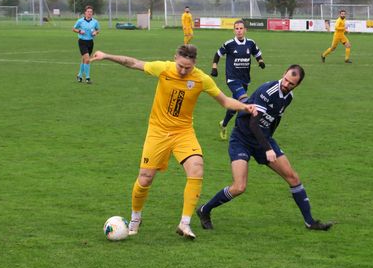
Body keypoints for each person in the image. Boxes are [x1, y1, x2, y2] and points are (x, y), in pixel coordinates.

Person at [90, 44, 257, 240]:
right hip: (158, 132)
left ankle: (184, 224)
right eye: (180, 66)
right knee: (145, 178)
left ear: (194, 63)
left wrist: (246, 107)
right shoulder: (164, 68)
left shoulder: (201, 79)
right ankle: (135, 218)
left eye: (188, 67)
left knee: (197, 168)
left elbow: (225, 101)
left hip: (183, 133)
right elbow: (133, 62)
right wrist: (106, 55)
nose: (183, 70)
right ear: (175, 58)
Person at [197, 64, 333, 232]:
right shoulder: (267, 91)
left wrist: (269, 141)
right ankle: (205, 210)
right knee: (239, 187)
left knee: (293, 178)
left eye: (291, 84)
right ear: (283, 74)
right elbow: (254, 123)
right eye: (286, 80)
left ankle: (310, 222)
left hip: (263, 139)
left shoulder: (288, 97)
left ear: (297, 85)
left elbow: (275, 119)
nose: (286, 85)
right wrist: (268, 149)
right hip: (242, 138)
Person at [211, 19, 265, 140]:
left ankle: (223, 124)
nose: (239, 31)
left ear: (245, 30)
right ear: (234, 30)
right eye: (237, 29)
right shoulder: (229, 44)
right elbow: (218, 54)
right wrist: (214, 67)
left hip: (245, 79)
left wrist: (260, 61)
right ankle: (248, 129)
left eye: (241, 28)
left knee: (235, 106)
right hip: (232, 79)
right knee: (244, 100)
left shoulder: (250, 43)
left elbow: (257, 53)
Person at [73, 5, 100, 84]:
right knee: (87, 60)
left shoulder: (95, 22)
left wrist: (95, 32)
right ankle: (87, 78)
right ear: (85, 13)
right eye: (88, 12)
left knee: (84, 60)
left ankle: (79, 75)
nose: (89, 13)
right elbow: (74, 29)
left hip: (90, 42)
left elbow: (98, 30)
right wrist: (79, 31)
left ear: (92, 13)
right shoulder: (80, 21)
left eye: (91, 12)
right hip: (82, 42)